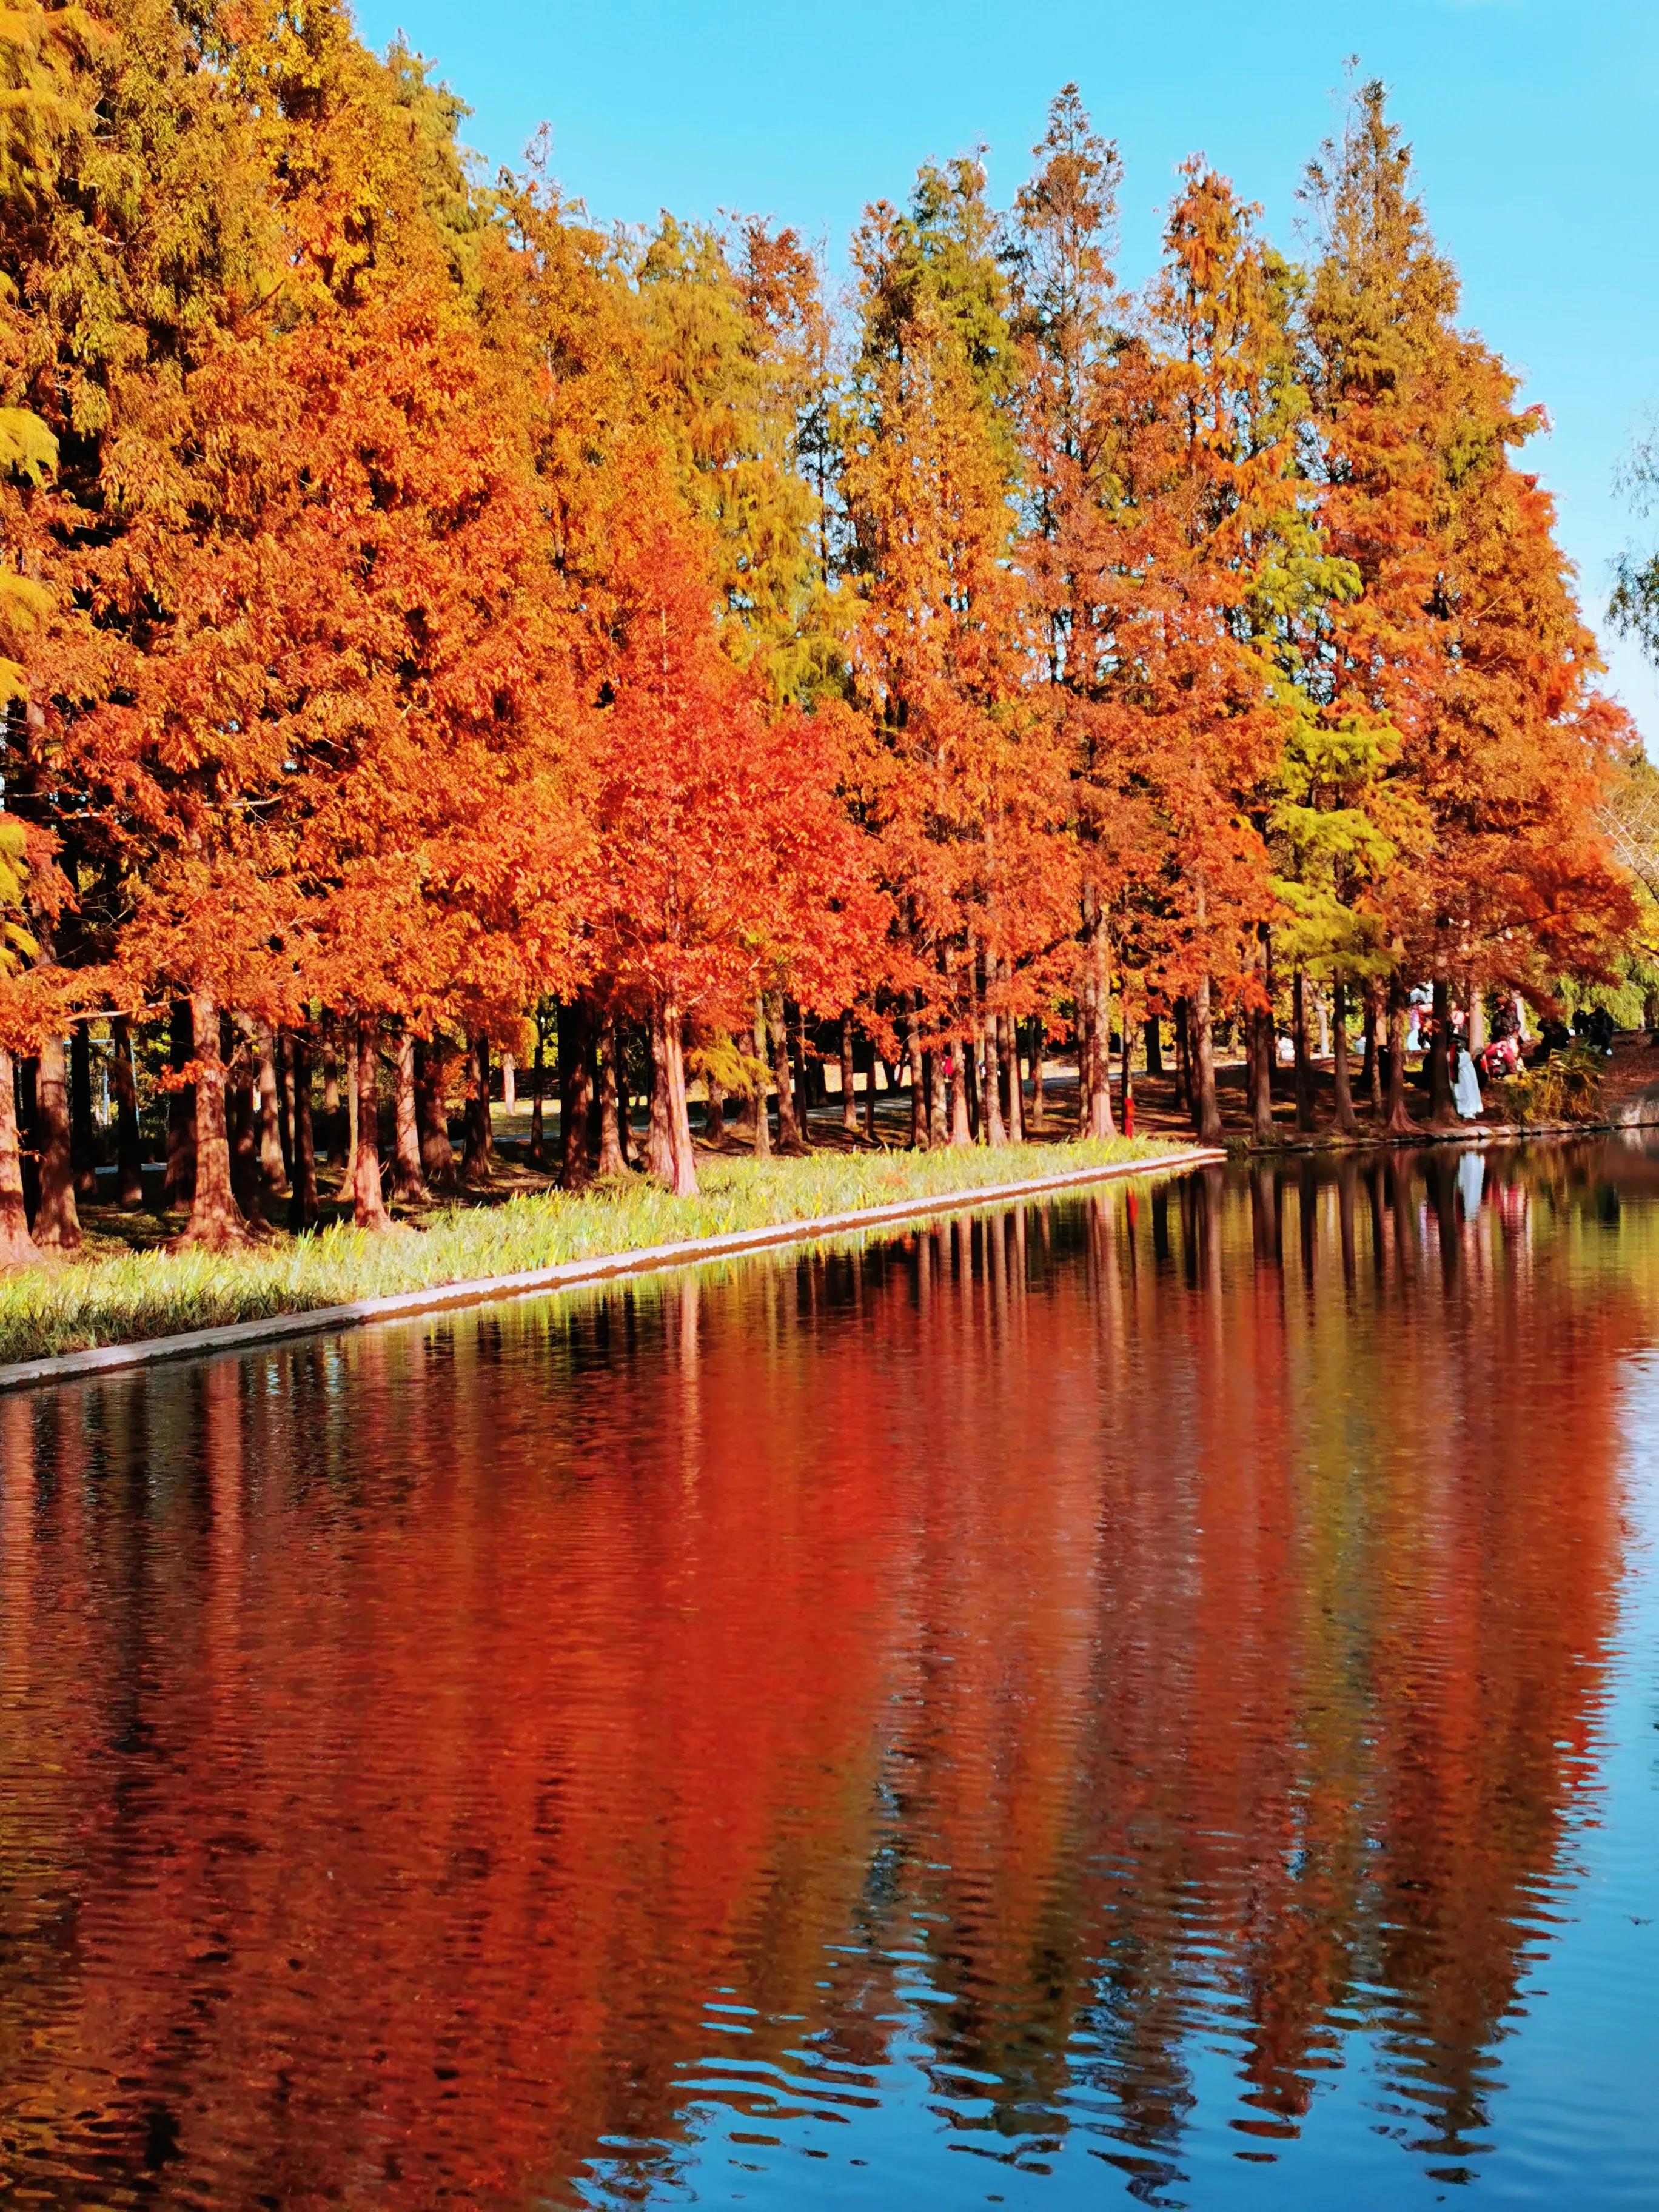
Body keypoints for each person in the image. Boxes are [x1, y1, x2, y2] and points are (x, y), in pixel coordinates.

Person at [1453, 1041, 1483, 1120]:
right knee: (1461, 1093)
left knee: (1469, 1093)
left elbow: (1460, 1065)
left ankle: (1470, 1112)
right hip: (1461, 1077)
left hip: (1467, 1078)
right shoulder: (1456, 1055)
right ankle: (1463, 1111)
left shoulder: (1466, 1055)